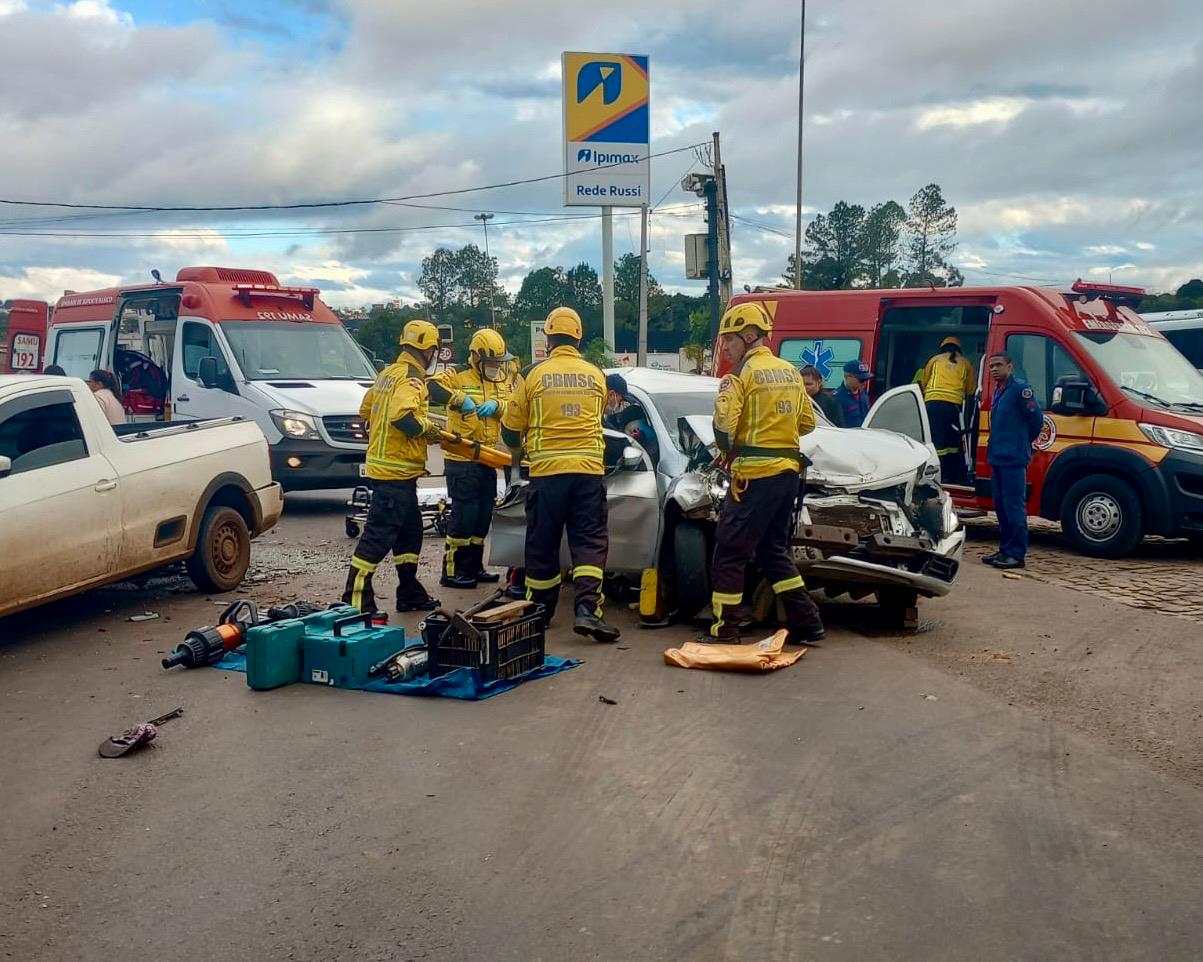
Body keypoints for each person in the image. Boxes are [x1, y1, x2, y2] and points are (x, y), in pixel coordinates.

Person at [708, 303, 825, 645]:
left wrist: (732, 446)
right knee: (773, 551)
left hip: (753, 477)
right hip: (787, 475)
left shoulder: (740, 376)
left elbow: (723, 429)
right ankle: (808, 623)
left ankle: (725, 629)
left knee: (729, 552)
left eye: (729, 341)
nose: (725, 349)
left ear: (748, 336)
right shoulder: (790, 372)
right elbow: (807, 423)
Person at [501, 306, 619, 642]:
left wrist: (519, 448)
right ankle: (587, 610)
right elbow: (600, 420)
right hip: (587, 474)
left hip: (547, 474)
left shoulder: (532, 374)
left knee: (542, 544)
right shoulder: (597, 375)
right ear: (579, 338)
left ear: (548, 338)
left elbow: (511, 430)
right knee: (590, 542)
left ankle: (539, 611)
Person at [342, 320, 445, 615]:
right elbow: (403, 418)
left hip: (393, 470)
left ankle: (409, 592)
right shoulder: (413, 379)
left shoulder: (387, 374)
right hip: (394, 473)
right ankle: (356, 599)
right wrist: (430, 430)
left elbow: (365, 412)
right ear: (428, 350)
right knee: (377, 538)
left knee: (410, 534)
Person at [429, 329, 514, 589]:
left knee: (481, 516)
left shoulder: (501, 379)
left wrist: (499, 407)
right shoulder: (456, 375)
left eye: (498, 363)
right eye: (490, 362)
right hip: (462, 458)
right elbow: (431, 387)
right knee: (464, 516)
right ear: (476, 357)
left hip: (487, 457)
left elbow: (514, 404)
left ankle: (475, 567)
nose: (494, 367)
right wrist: (459, 399)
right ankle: (452, 570)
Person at [983, 352, 1044, 570]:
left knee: (1014, 506)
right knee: (1000, 506)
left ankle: (1016, 554)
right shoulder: (998, 390)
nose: (994, 369)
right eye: (991, 366)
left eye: (998, 365)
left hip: (1013, 458)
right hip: (997, 457)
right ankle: (1004, 549)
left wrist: (1023, 441)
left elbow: (1036, 419)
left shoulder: (1020, 389)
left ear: (1010, 367)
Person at [920, 336, 976, 485]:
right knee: (953, 441)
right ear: (959, 349)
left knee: (935, 439)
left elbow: (924, 382)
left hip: (932, 404)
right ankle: (952, 474)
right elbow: (970, 390)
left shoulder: (935, 360)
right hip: (953, 407)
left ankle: (936, 473)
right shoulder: (966, 363)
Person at [604, 372, 659, 463]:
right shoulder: (595, 416)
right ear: (612, 394)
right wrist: (628, 441)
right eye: (620, 400)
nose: (619, 405)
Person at [834, 359, 874, 428]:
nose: (865, 383)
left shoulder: (863, 394)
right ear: (847, 377)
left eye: (866, 379)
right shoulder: (837, 398)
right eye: (861, 380)